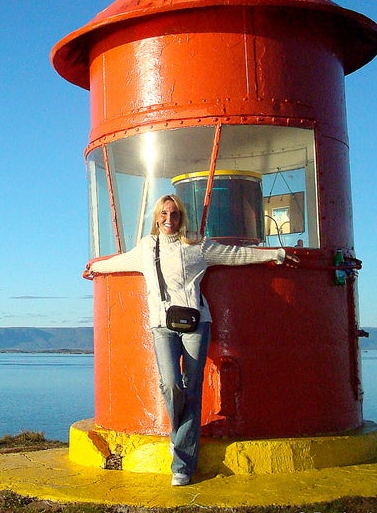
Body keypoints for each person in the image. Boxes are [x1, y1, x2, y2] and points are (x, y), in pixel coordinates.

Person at [83, 194, 299, 486]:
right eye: (163, 214)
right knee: (171, 384)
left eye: (174, 215)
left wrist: (275, 254)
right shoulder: (148, 248)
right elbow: (119, 262)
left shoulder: (197, 246)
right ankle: (180, 437)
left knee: (192, 389)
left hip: (197, 323)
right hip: (162, 325)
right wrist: (94, 267)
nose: (168, 220)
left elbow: (236, 254)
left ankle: (182, 464)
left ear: (181, 217)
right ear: (156, 218)